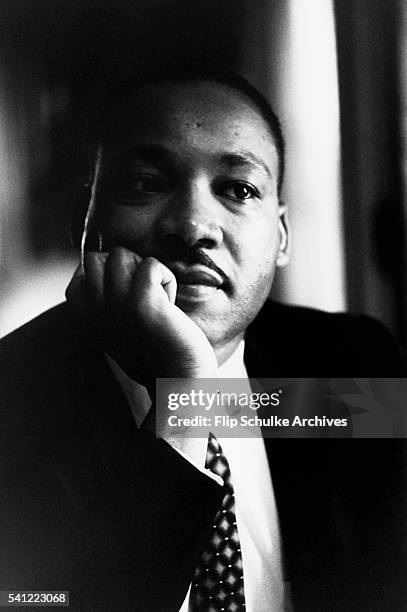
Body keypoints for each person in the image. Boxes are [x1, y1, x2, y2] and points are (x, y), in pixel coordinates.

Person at [0, 65, 405, 612]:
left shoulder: (353, 369)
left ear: (280, 236)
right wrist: (185, 395)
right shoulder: (13, 399)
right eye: (146, 182)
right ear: (85, 223)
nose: (192, 226)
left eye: (238, 189)